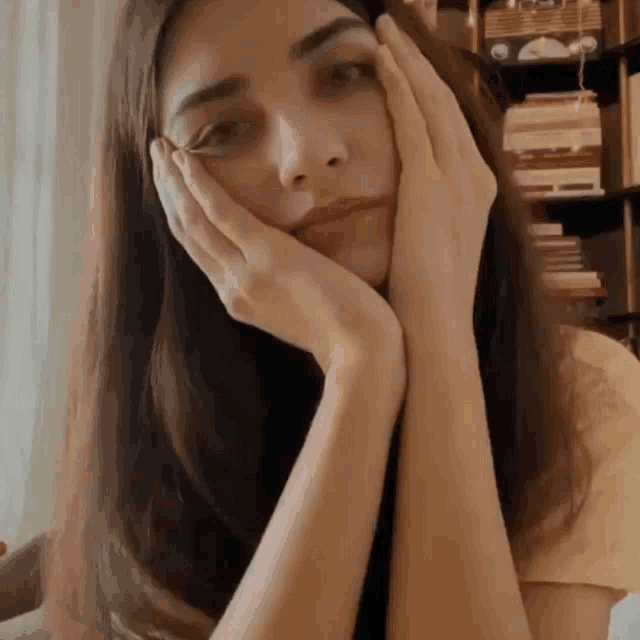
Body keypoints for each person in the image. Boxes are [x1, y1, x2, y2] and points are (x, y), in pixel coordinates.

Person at [38, 0, 638, 639]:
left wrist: (436, 326)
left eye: (346, 74)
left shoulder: (584, 389)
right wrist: (363, 364)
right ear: (167, 198)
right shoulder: (147, 423)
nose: (307, 153)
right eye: (223, 129)